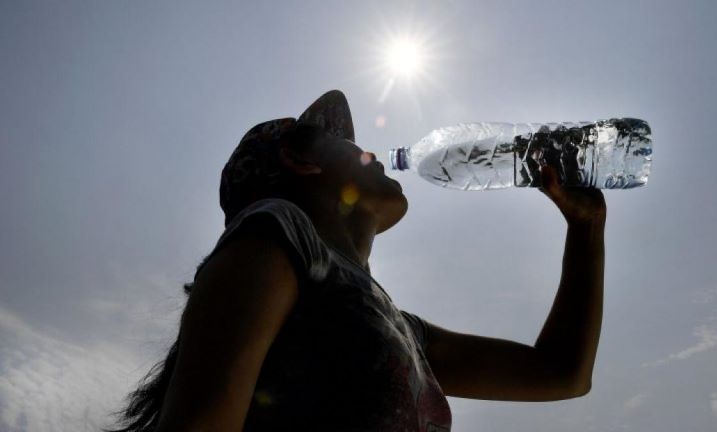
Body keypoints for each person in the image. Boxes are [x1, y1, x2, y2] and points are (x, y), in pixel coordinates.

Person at [108, 90, 606, 432]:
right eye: (351, 145)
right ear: (302, 161)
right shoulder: (275, 235)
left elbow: (561, 374)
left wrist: (585, 229)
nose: (374, 154)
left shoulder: (396, 326)